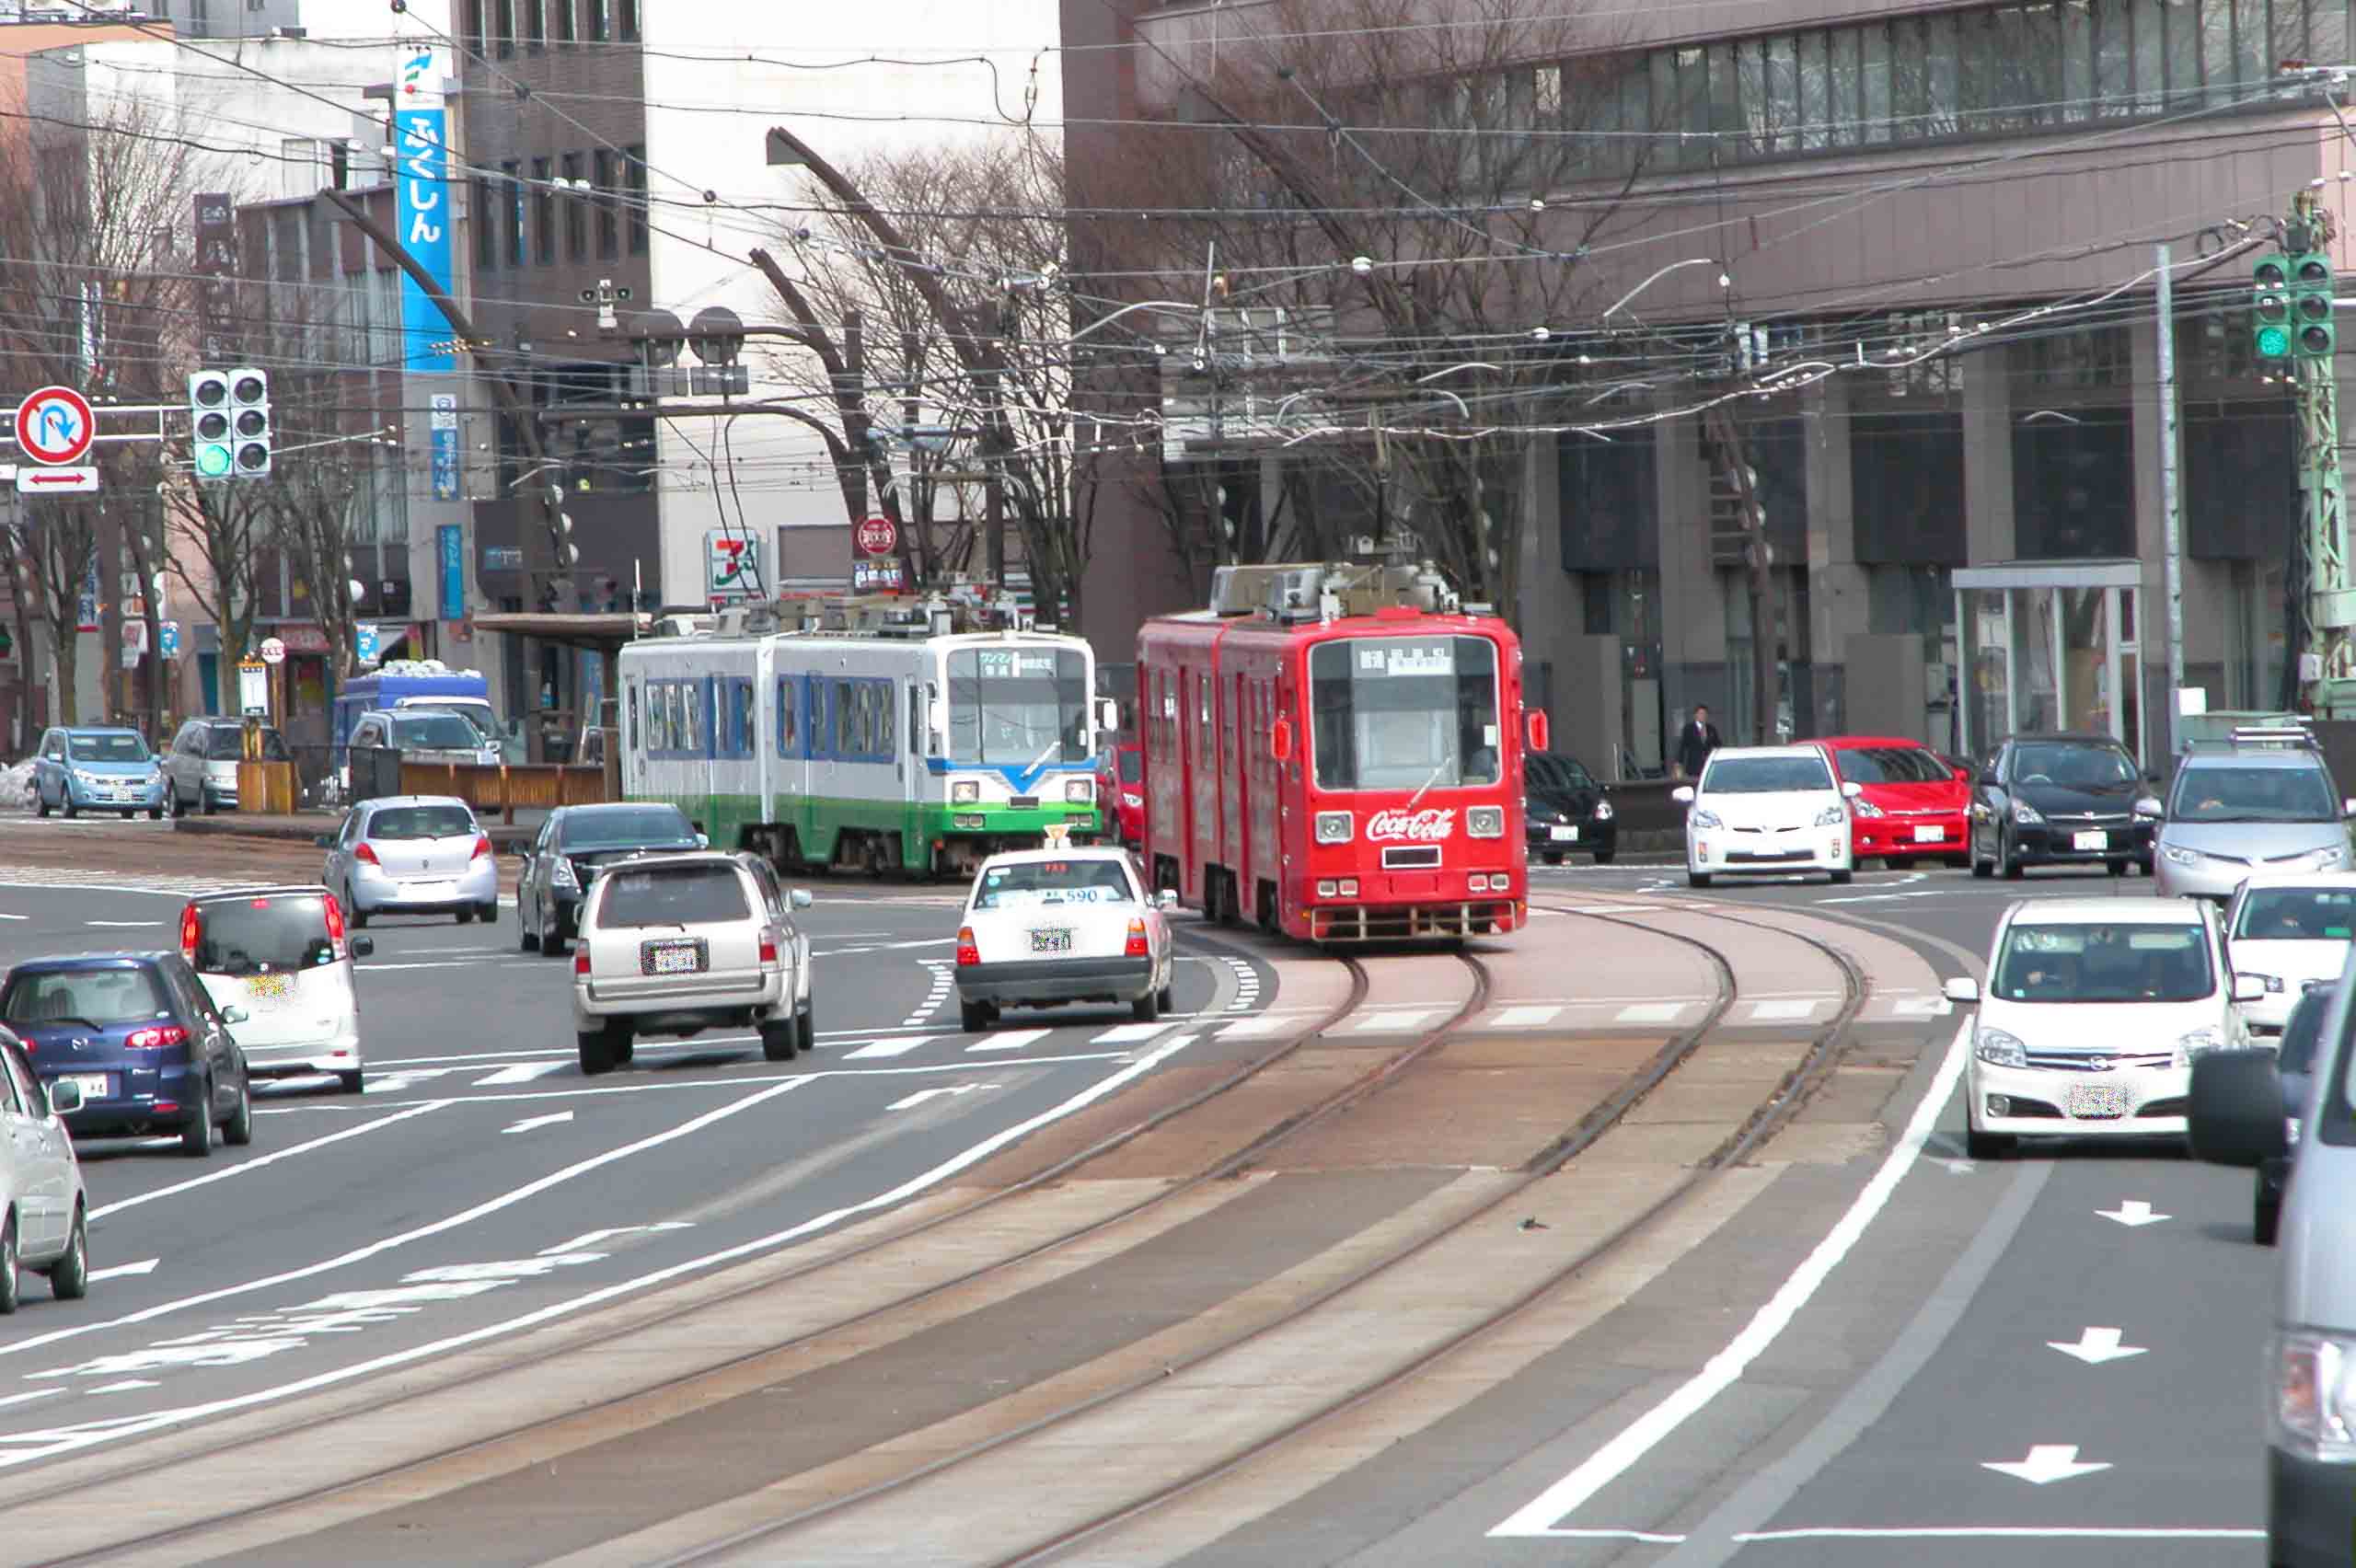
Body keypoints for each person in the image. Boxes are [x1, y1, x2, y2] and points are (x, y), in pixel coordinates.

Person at [1676, 705, 1722, 779]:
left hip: (1708, 765)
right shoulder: (1689, 728)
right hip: (1694, 766)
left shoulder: (1711, 729)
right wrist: (1679, 762)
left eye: (1705, 714)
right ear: (1695, 715)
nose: (1703, 716)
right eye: (1700, 713)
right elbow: (1683, 746)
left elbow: (1718, 745)